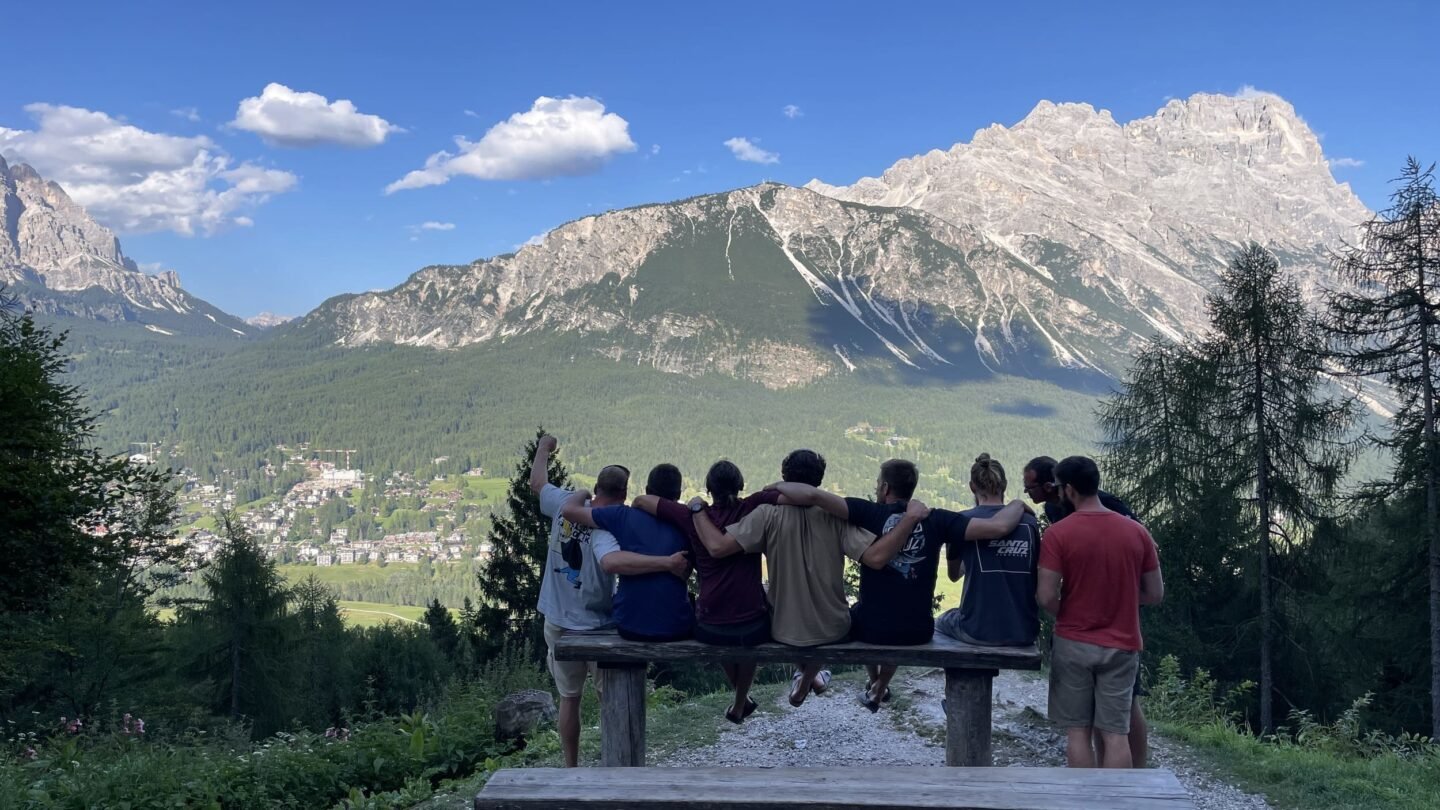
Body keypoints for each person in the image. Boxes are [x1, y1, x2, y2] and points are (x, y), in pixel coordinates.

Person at [770, 458, 1031, 711]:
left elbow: (813, 497)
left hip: (871, 630)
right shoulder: (937, 519)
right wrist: (1019, 503)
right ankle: (877, 685)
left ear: (884, 488)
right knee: (899, 610)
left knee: (861, 613)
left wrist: (771, 491)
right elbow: (999, 527)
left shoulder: (868, 512)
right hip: (918, 631)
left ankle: (870, 681)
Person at [688, 449, 875, 707]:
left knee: (778, 618)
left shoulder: (766, 515)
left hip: (782, 629)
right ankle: (809, 678)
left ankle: (808, 678)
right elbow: (872, 555)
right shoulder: (836, 517)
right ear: (819, 480)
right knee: (827, 624)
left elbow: (719, 548)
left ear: (784, 477)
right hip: (834, 628)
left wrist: (697, 509)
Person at [1036, 456, 1163, 769]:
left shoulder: (1058, 534)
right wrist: (1119, 603)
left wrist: (1067, 613)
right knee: (1115, 734)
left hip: (1073, 641)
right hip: (1122, 642)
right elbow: (1154, 593)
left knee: (1078, 733)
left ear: (1069, 490)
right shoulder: (1137, 532)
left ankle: (1084, 802)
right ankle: (1116, 803)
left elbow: (1046, 594)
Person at [632, 460, 779, 724]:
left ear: (709, 489)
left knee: (720, 635)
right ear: (741, 485)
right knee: (750, 639)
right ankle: (739, 701)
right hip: (753, 622)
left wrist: (635, 515)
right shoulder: (754, 506)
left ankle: (741, 701)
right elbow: (790, 492)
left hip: (710, 624)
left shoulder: (691, 516)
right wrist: (771, 487)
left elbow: (644, 500)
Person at [530, 434, 626, 767]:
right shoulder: (613, 526)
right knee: (609, 697)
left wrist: (544, 448)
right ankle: (613, 763)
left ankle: (571, 768)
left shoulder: (564, 504)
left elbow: (537, 483)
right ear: (623, 495)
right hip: (597, 624)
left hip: (558, 620)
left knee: (569, 697)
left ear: (597, 488)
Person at [561, 463, 694, 642]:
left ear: (647, 490)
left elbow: (570, 511)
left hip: (630, 625)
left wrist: (583, 493)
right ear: (678, 495)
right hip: (676, 627)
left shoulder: (621, 516)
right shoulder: (688, 523)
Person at [935, 453, 1042, 648]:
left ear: (972, 486)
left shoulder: (961, 522)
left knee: (940, 621)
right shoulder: (1030, 523)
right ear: (1005, 485)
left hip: (978, 631)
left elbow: (953, 575)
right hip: (1024, 631)